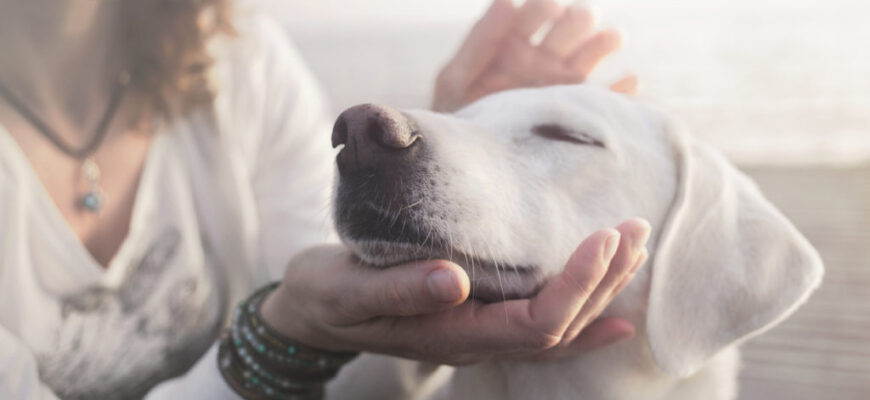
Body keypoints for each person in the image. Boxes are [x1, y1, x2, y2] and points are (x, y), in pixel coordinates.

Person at [0, 0, 650, 398]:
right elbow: (308, 325)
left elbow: (355, 383)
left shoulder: (238, 62)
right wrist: (277, 337)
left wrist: (448, 173)